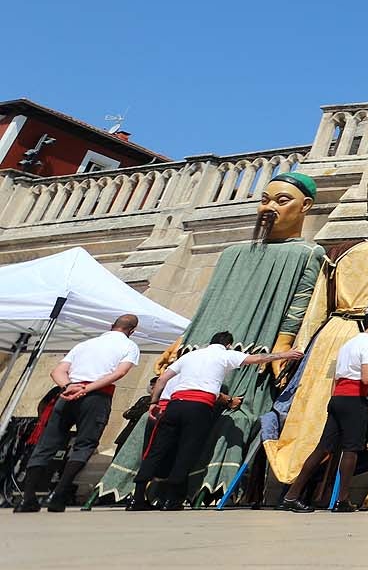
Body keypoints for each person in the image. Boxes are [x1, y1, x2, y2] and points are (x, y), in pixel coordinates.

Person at [98, 172, 325, 508]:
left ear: (304, 206)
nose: (269, 207)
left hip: (252, 361)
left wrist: (282, 345)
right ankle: (141, 489)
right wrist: (181, 341)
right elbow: (208, 302)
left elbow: (299, 304)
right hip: (200, 360)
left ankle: (196, 488)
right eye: (265, 199)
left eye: (281, 200)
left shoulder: (308, 254)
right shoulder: (232, 253)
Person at [266, 171, 368, 492]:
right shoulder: (339, 250)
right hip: (327, 340)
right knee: (308, 406)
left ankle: (322, 487)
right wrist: (299, 349)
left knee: (354, 416)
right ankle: (297, 479)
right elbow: (318, 305)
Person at [132, 332, 300, 510]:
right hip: (199, 406)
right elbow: (257, 358)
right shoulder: (225, 354)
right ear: (228, 345)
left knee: (157, 449)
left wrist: (153, 403)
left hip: (175, 405)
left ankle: (137, 498)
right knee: (186, 451)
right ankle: (172, 500)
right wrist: (285, 354)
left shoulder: (190, 355)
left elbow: (163, 379)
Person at [14, 315, 142, 513]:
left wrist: (69, 386)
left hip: (67, 394)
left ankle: (27, 498)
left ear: (111, 325)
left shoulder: (84, 344)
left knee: (46, 444)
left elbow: (57, 371)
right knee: (85, 445)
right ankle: (58, 494)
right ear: (132, 331)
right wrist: (87, 389)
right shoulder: (129, 346)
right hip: (96, 397)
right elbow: (119, 373)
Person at [280, 312, 368, 513]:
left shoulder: (347, 345)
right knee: (351, 449)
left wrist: (335, 399)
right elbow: (366, 378)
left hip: (337, 398)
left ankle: (292, 495)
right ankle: (343, 499)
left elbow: (335, 378)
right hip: (354, 400)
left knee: (323, 448)